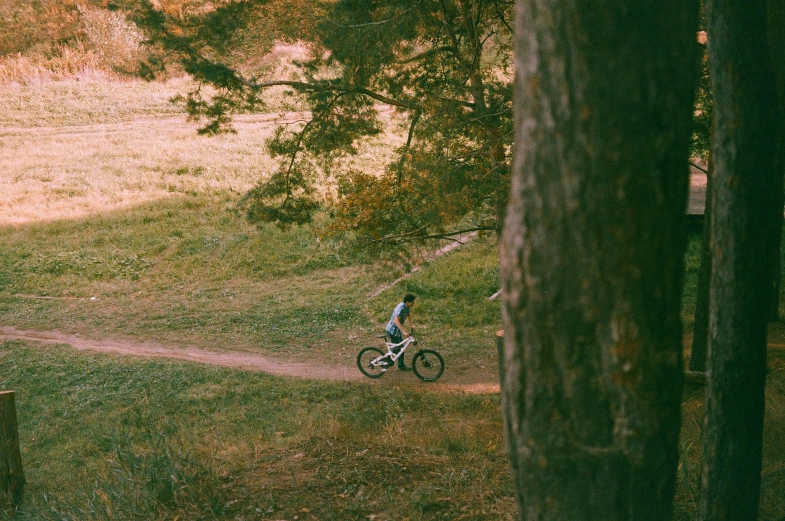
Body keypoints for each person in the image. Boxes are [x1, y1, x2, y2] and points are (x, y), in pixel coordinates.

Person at [385, 293, 416, 371]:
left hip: (397, 330)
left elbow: (408, 315)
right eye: (412, 302)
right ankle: (393, 362)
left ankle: (393, 361)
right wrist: (404, 331)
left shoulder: (407, 307)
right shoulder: (401, 308)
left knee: (399, 348)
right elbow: (396, 320)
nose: (413, 303)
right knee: (399, 348)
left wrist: (412, 324)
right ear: (407, 302)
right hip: (392, 330)